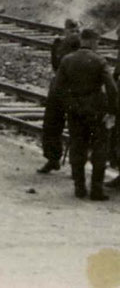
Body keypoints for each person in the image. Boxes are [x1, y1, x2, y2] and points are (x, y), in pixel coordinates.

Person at [50, 28, 119, 201]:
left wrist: (70, 105)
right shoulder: (99, 61)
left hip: (75, 111)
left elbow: (58, 89)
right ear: (94, 41)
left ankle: (79, 187)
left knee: (77, 147)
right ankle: (96, 190)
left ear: (81, 40)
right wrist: (112, 111)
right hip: (97, 111)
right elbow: (112, 88)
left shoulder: (67, 60)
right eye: (97, 42)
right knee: (99, 149)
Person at [38, 21, 81, 173]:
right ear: (66, 31)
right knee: (51, 124)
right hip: (58, 88)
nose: (75, 33)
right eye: (72, 31)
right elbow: (55, 65)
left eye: (77, 30)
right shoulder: (58, 44)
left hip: (76, 90)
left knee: (77, 128)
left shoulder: (83, 47)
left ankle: (77, 166)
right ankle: (52, 159)